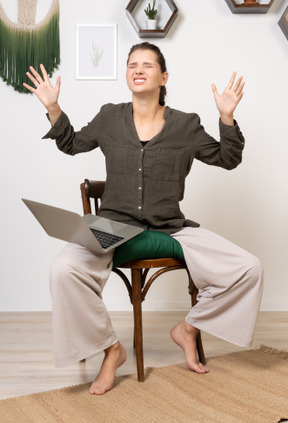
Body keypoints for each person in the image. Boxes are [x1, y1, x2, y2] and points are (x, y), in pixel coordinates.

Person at [23, 42, 263, 395]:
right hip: (112, 225)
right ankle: (111, 349)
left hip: (171, 227)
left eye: (147, 65)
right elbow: (72, 143)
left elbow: (228, 159)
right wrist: (54, 107)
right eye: (132, 64)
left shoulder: (186, 125)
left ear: (163, 77)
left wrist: (226, 117)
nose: (138, 69)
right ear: (126, 75)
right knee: (63, 269)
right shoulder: (109, 117)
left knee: (249, 268)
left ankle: (189, 329)